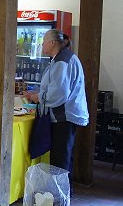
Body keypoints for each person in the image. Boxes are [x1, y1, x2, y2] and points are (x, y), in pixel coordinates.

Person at [24, 29, 89, 189]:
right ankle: (61, 194)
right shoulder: (60, 59)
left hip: (64, 117)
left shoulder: (62, 61)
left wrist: (38, 97)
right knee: (63, 156)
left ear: (53, 43)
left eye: (44, 41)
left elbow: (58, 94)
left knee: (61, 159)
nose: (42, 45)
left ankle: (59, 198)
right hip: (64, 115)